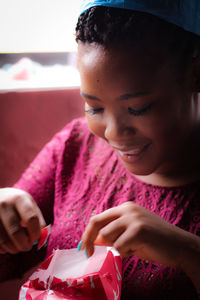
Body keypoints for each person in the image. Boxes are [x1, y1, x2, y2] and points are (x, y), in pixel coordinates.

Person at [0, 0, 200, 299]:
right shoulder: (76, 145)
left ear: (196, 74)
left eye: (138, 108)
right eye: (94, 107)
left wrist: (188, 252)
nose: (114, 132)